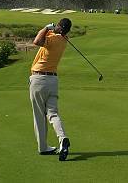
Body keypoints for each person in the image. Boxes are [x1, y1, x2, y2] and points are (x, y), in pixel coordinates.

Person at [29, 18, 72, 161]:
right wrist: (56, 30)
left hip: (39, 79)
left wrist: (46, 27)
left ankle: (43, 147)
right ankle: (62, 138)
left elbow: (36, 41)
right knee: (53, 113)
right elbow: (60, 34)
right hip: (53, 80)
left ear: (59, 27)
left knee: (39, 116)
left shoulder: (52, 39)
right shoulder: (64, 40)